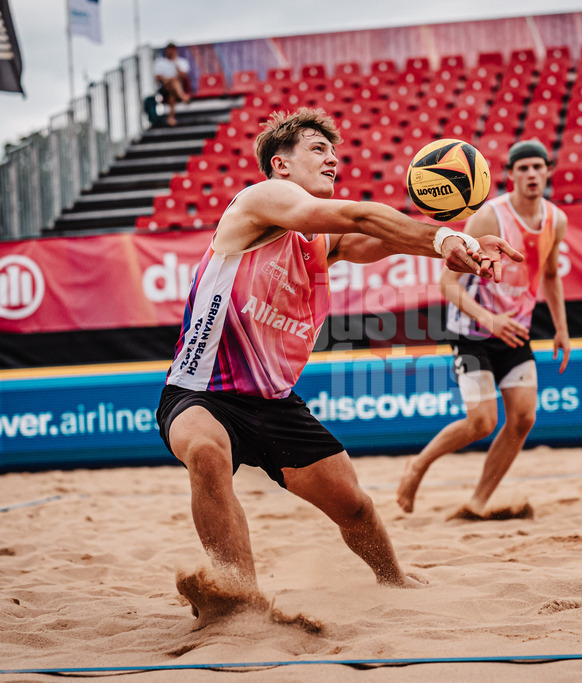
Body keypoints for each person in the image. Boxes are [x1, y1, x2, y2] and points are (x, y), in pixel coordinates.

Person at [155, 108, 523, 617]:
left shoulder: (320, 241)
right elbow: (359, 217)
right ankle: (236, 597)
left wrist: (466, 243)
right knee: (206, 452)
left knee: (354, 506)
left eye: (334, 152)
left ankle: (393, 580)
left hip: (274, 403)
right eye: (317, 149)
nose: (333, 159)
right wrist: (444, 238)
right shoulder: (260, 200)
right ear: (281, 165)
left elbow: (382, 237)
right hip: (200, 392)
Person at [396, 140, 571, 517]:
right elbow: (447, 284)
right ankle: (417, 465)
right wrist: (490, 320)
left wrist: (561, 328)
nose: (531, 174)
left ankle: (477, 502)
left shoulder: (556, 219)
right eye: (523, 168)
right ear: (511, 175)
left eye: (537, 167)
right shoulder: (490, 217)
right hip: (472, 331)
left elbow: (551, 275)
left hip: (514, 330)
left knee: (523, 418)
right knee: (481, 422)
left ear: (548, 171)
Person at [153, 43, 191, 126]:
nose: (170, 52)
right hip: (165, 87)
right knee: (173, 81)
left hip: (176, 87)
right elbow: (157, 77)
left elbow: (183, 76)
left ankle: (171, 118)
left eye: (172, 50)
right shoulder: (160, 62)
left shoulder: (181, 62)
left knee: (172, 92)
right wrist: (170, 79)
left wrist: (175, 63)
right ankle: (182, 97)